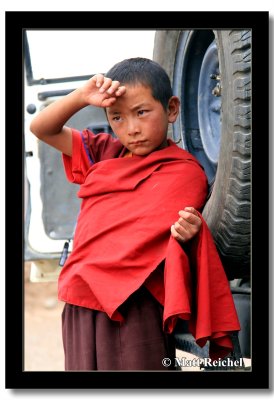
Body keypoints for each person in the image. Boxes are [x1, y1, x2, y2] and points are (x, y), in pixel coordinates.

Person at [30, 57, 240, 371]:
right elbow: (41, 127)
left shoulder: (184, 173)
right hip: (81, 297)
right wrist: (81, 95)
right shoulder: (104, 152)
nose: (132, 129)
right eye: (117, 118)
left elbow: (168, 236)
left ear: (171, 109)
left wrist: (191, 232)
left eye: (142, 113)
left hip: (137, 303)